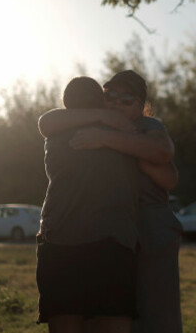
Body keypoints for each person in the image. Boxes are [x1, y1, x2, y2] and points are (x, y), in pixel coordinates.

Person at [38, 70, 183, 333]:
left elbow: (168, 171)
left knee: (156, 313)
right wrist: (101, 120)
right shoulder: (92, 121)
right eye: (110, 96)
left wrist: (110, 141)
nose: (116, 103)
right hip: (111, 228)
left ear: (141, 107)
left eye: (126, 100)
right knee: (107, 310)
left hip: (149, 227)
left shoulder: (146, 127)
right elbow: (46, 122)